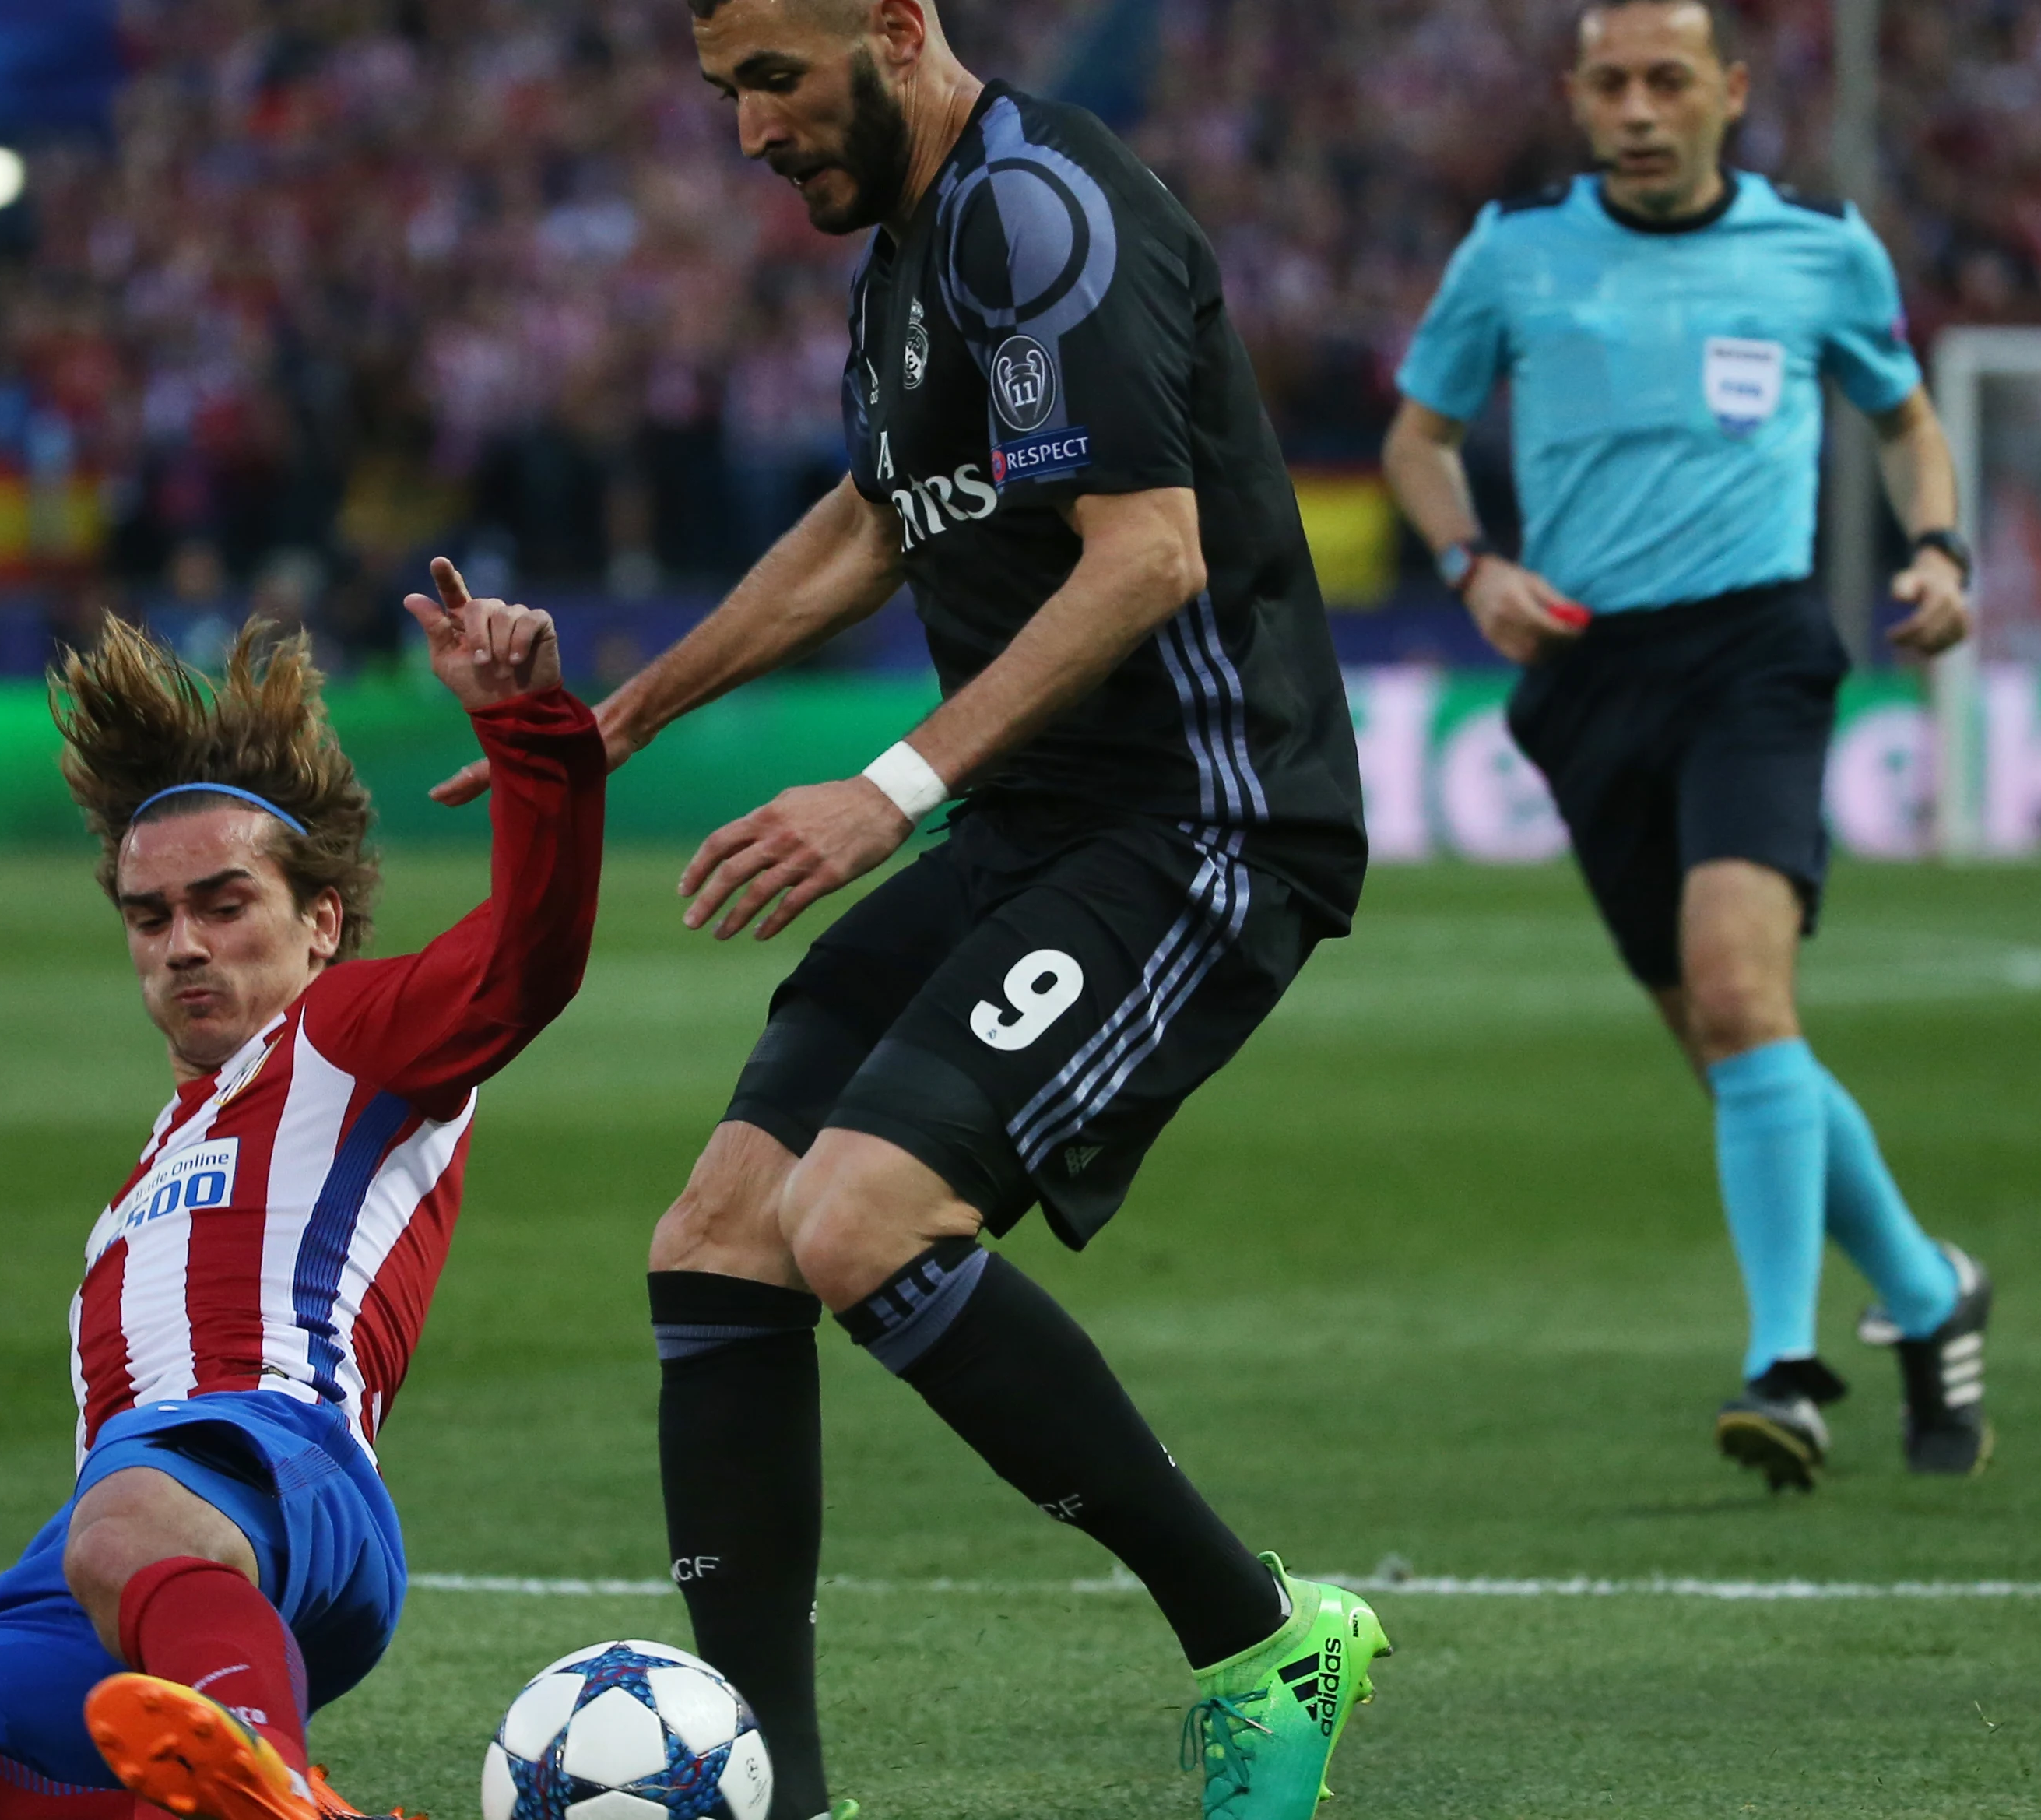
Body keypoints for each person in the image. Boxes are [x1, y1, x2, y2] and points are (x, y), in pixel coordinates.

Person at [437, 2, 1386, 1813]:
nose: (745, 132)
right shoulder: (904, 257)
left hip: (1197, 817)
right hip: (1040, 825)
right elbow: (876, 523)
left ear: (894, 26)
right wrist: (621, 715)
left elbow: (1150, 552)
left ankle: (1262, 1633)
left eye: (772, 81)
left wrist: (887, 789)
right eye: (721, 93)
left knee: (859, 1213)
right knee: (719, 1230)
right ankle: (777, 1795)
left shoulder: (1037, 213)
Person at [0, 560, 602, 1820]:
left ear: (322, 923)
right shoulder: (142, 1188)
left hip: (285, 1473)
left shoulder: (348, 1037)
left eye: (225, 905)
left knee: (117, 1521)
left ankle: (270, 1783)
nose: (183, 944)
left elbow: (528, 963)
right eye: (150, 914)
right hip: (119, 1549)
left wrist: (531, 730)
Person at [1379, 0, 1992, 1493]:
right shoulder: (1513, 251)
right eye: (1612, 84)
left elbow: (1906, 418)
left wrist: (1940, 547)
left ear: (1726, 91)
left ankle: (1786, 1366)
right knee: (1733, 1039)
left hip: (1757, 651)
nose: (1641, 108)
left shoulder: (1819, 248)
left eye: (1668, 80)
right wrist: (1473, 568)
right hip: (1590, 676)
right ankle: (1926, 1291)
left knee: (1737, 988)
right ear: (1578, 100)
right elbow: (1417, 440)